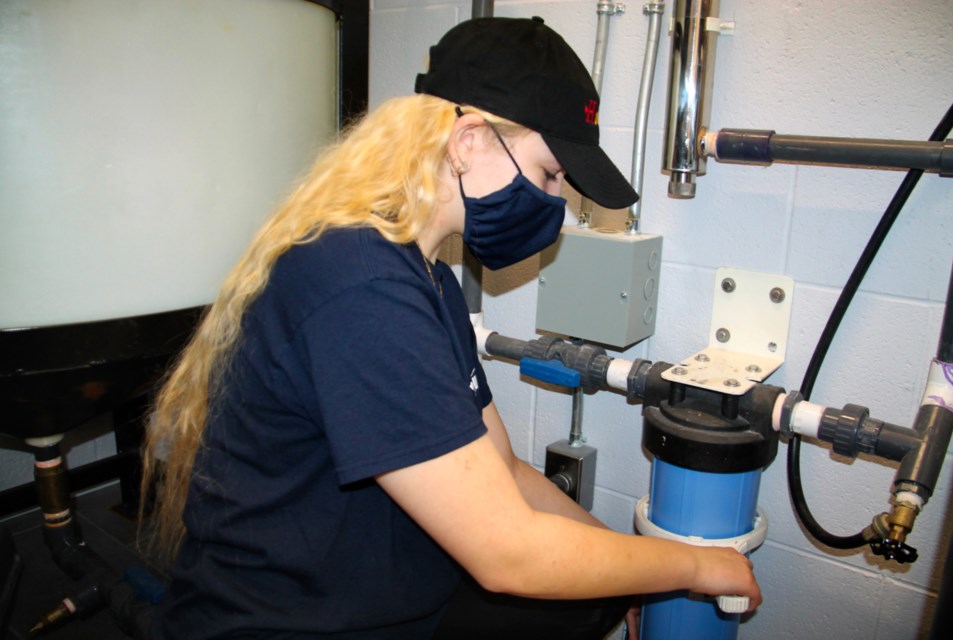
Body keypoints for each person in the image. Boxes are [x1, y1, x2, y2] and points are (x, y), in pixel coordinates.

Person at [142, 16, 761, 640]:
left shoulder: (422, 275)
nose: (554, 200)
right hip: (292, 624)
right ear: (469, 141)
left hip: (378, 596)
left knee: (587, 596)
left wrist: (631, 571)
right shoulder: (360, 284)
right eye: (550, 174)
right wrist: (695, 565)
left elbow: (505, 471)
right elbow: (506, 552)